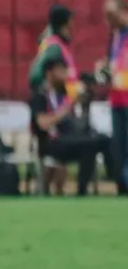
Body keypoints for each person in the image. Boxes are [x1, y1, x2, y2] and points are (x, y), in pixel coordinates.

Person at [30, 53, 112, 196]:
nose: (64, 74)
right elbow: (43, 124)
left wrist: (81, 103)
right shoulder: (40, 95)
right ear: (49, 73)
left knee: (104, 140)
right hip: (51, 142)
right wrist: (67, 108)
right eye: (60, 70)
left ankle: (118, 180)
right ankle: (82, 191)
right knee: (89, 144)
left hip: (69, 137)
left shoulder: (62, 93)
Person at [101, 0, 128, 194]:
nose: (108, 21)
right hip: (117, 100)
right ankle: (122, 185)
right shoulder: (117, 36)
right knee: (119, 147)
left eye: (111, 15)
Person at [29, 4, 81, 98]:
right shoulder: (55, 47)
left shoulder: (56, 43)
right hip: (56, 103)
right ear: (66, 22)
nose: (73, 23)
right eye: (71, 19)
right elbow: (55, 74)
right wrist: (78, 89)